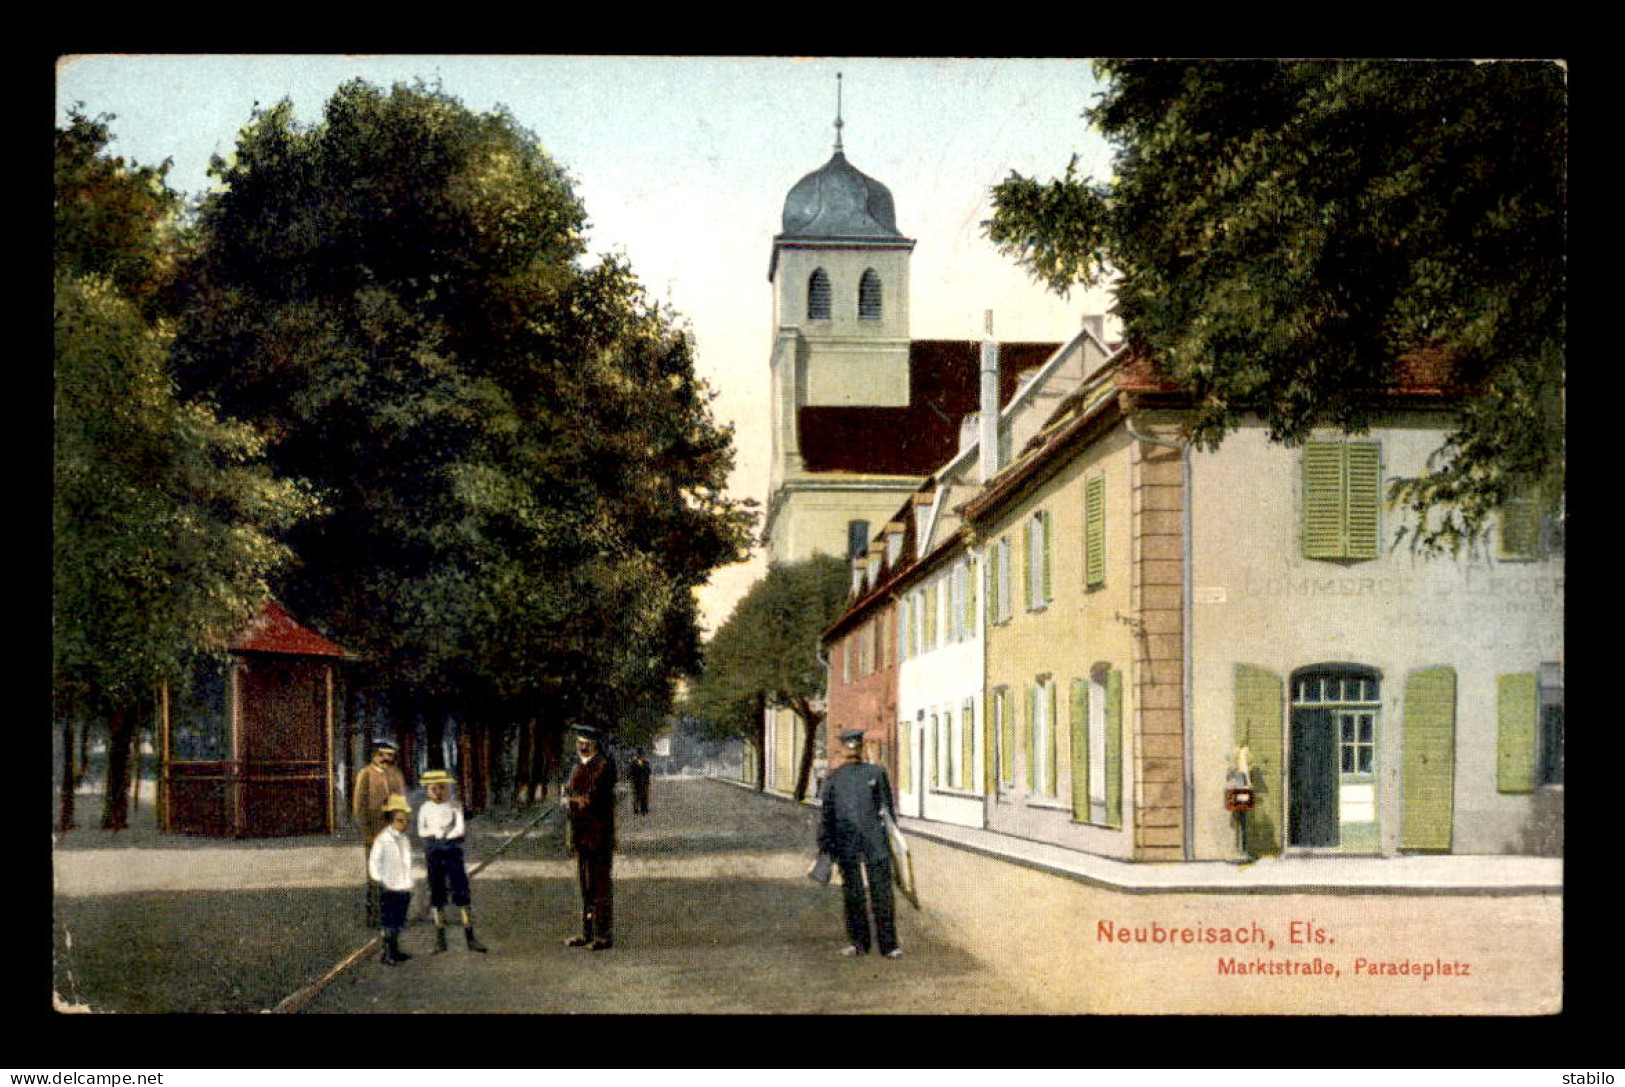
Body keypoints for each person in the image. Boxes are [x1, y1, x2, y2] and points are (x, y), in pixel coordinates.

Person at [818, 728, 902, 959]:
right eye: (849, 746)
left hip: (875, 842)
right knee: (853, 895)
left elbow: (887, 810)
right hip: (846, 843)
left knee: (882, 894)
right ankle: (858, 943)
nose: (853, 750)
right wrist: (826, 846)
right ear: (843, 749)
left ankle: (889, 945)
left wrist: (893, 841)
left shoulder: (876, 772)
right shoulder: (834, 779)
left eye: (856, 746)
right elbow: (827, 814)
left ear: (862, 748)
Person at [417, 769, 488, 954]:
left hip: (453, 851)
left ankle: (470, 937)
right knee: (437, 893)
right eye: (434, 789)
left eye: (441, 788)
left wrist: (448, 835)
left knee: (461, 892)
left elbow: (460, 829)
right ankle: (440, 939)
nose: (438, 792)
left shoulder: (454, 805)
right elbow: (421, 831)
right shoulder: (425, 808)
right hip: (433, 852)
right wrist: (434, 834)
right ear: (428, 790)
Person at [562, 725, 618, 951]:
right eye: (578, 742)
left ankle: (603, 936)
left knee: (600, 886)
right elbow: (570, 791)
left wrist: (570, 800)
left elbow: (590, 798)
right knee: (586, 885)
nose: (581, 746)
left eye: (585, 743)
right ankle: (587, 933)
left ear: (594, 744)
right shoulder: (578, 765)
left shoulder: (602, 765)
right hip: (581, 834)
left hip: (599, 834)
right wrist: (568, 796)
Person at [353, 739, 406, 927]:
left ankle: (393, 916)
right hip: (374, 834)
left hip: (392, 833)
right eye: (382, 754)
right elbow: (359, 808)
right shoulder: (365, 775)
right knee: (375, 876)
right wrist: (368, 835)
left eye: (390, 755)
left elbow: (401, 803)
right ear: (374, 754)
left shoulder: (396, 775)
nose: (386, 758)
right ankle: (375, 917)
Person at [369, 795, 416, 965]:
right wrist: (380, 880)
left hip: (403, 886)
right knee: (388, 922)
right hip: (389, 887)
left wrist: (409, 883)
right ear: (391, 820)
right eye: (400, 820)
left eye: (405, 820)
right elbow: (374, 863)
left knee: (399, 921)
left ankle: (395, 951)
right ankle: (387, 953)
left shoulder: (404, 840)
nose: (404, 823)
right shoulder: (383, 840)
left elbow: (407, 863)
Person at [628, 751, 652, 815]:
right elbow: (631, 772)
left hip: (643, 781)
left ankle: (643, 809)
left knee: (643, 795)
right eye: (642, 756)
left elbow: (649, 771)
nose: (643, 757)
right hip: (636, 781)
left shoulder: (645, 762)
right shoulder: (634, 762)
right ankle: (637, 809)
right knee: (637, 796)